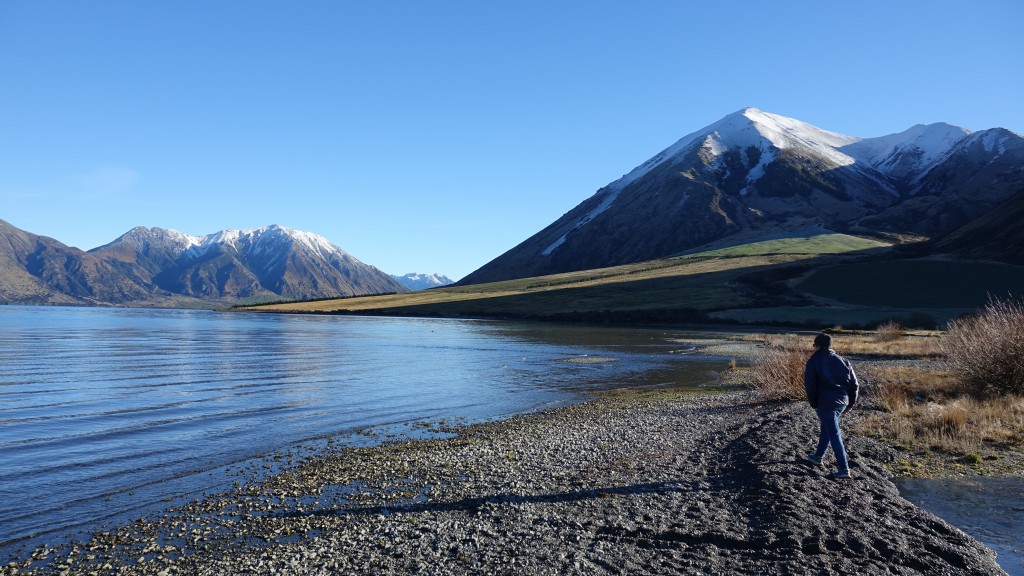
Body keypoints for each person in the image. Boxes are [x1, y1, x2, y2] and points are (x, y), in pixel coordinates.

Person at [804, 332, 859, 479]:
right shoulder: (844, 361)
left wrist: (814, 403)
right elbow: (854, 385)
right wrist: (850, 404)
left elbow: (810, 385)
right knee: (827, 428)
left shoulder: (813, 361)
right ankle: (817, 457)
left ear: (817, 345)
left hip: (826, 402)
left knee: (834, 432)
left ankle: (843, 468)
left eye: (814, 345)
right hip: (842, 401)